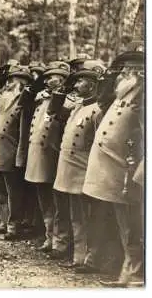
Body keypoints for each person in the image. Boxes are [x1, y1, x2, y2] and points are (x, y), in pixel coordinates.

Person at [82, 51, 144, 287]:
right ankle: (126, 272)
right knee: (120, 221)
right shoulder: (122, 91)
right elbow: (102, 97)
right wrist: (112, 73)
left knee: (131, 223)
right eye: (126, 66)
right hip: (109, 165)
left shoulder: (143, 96)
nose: (129, 71)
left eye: (135, 67)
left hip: (126, 166)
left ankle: (135, 276)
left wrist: (138, 165)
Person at [48, 60, 106, 269]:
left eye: (80, 80)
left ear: (92, 84)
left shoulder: (98, 109)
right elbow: (53, 112)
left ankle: (85, 258)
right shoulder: (77, 106)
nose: (76, 84)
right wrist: (60, 91)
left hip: (83, 169)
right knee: (70, 213)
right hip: (67, 167)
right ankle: (70, 251)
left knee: (83, 216)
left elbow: (99, 143)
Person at [24, 61, 72, 257]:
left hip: (54, 154)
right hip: (38, 153)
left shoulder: (69, 100)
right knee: (43, 196)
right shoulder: (40, 99)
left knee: (57, 199)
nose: (50, 80)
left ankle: (61, 241)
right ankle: (49, 235)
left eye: (56, 77)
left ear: (63, 80)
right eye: (49, 77)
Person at [0, 65, 33, 240]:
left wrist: (20, 155)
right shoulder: (2, 98)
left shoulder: (24, 101)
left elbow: (24, 130)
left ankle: (14, 226)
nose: (10, 82)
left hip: (11, 150)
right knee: (0, 189)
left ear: (24, 83)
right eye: (10, 79)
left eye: (15, 79)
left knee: (13, 191)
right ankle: (4, 222)